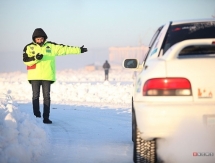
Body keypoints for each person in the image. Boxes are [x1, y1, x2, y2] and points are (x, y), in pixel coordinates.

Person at [23, 28, 87, 124]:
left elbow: (65, 49)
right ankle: (36, 117)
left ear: (44, 38)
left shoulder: (51, 46)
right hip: (34, 76)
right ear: (34, 39)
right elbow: (26, 61)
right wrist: (36, 58)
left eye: (41, 39)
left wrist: (79, 50)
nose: (39, 41)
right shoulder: (28, 47)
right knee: (35, 96)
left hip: (47, 76)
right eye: (37, 39)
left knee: (47, 97)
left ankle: (46, 118)